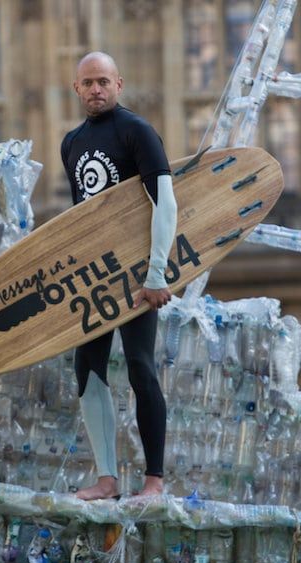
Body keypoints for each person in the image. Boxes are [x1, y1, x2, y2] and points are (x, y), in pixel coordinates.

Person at [60, 52, 178, 499]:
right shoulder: (71, 143)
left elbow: (164, 203)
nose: (96, 89)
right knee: (87, 370)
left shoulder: (137, 131)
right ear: (76, 88)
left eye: (103, 81)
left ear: (119, 84)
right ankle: (107, 480)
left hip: (138, 273)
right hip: (96, 276)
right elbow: (83, 218)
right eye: (88, 82)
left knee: (140, 368)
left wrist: (156, 273)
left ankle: (154, 481)